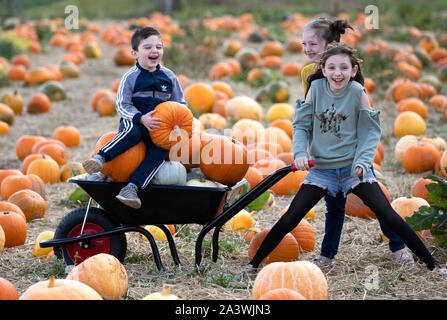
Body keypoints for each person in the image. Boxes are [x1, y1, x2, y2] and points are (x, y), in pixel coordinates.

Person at [244, 42, 446, 274]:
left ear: (353, 71)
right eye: (332, 68)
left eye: (343, 68)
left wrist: (362, 162)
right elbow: (301, 126)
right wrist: (300, 154)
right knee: (291, 216)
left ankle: (433, 265)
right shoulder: (316, 89)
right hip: (322, 170)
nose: (337, 73)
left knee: (388, 214)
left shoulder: (358, 93)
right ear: (323, 68)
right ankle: (253, 264)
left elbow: (370, 133)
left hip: (354, 169)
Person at [300, 18, 413, 267]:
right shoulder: (308, 73)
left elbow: (358, 112)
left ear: (331, 45)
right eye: (304, 44)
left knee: (377, 203)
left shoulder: (346, 75)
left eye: (313, 44)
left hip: (353, 149)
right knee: (334, 205)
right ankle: (327, 255)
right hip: (328, 152)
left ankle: (398, 246)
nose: (308, 49)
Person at [82, 26, 186, 209]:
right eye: (147, 47)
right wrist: (140, 118)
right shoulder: (131, 77)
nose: (154, 51)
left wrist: (182, 124)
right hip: (134, 122)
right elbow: (122, 104)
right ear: (135, 53)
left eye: (158, 47)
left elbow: (180, 104)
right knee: (134, 133)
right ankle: (100, 157)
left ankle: (132, 188)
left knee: (158, 154)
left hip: (159, 129)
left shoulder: (169, 77)